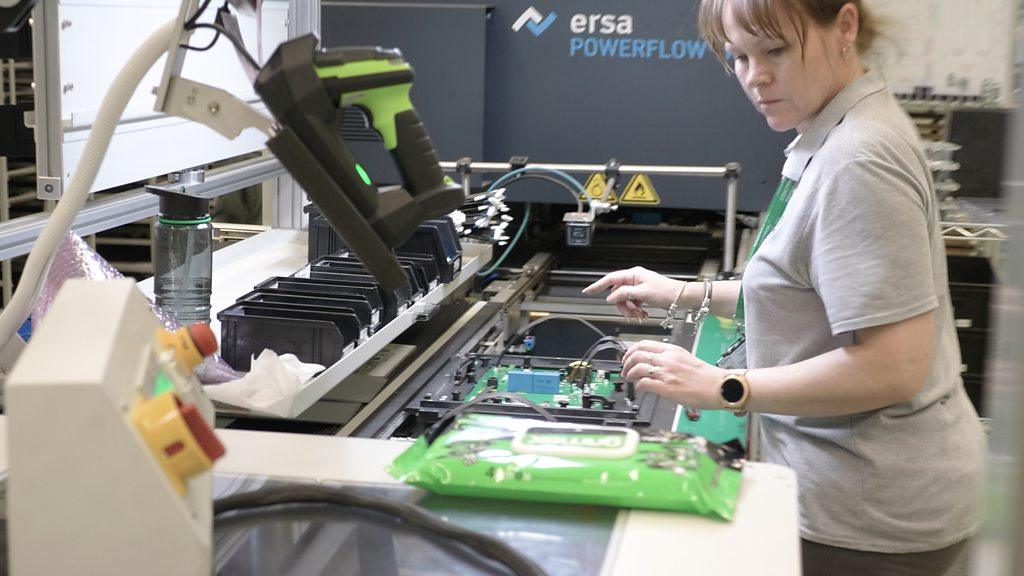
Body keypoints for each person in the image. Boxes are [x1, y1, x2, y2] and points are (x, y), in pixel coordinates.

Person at [582, 1, 986, 574]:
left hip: (869, 513)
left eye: (775, 50)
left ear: (844, 27)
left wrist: (724, 385)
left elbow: (893, 367)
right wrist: (679, 291)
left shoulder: (857, 159)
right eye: (739, 57)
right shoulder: (832, 131)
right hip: (858, 490)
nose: (755, 77)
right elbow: (804, 292)